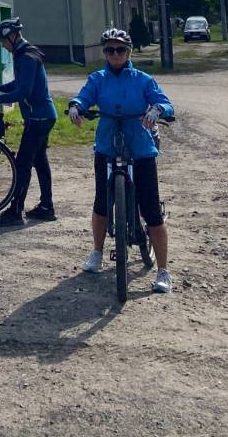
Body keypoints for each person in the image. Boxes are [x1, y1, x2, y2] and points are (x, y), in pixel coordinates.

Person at [68, 28, 175, 294]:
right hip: (107, 144)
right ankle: (97, 252)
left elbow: (164, 102)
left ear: (129, 52)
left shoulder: (143, 79)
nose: (115, 54)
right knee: (101, 202)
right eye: (109, 50)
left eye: (120, 50)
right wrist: (76, 106)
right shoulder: (97, 78)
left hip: (140, 146)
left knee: (150, 208)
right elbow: (84, 96)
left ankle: (163, 270)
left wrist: (157, 109)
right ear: (105, 53)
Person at [0, 18, 58, 227]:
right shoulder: (25, 54)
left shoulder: (26, 57)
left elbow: (23, 91)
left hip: (38, 118)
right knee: (40, 161)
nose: (3, 46)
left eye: (3, 42)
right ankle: (46, 207)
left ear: (12, 36)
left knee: (22, 164)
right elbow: (19, 83)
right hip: (43, 116)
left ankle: (15, 212)